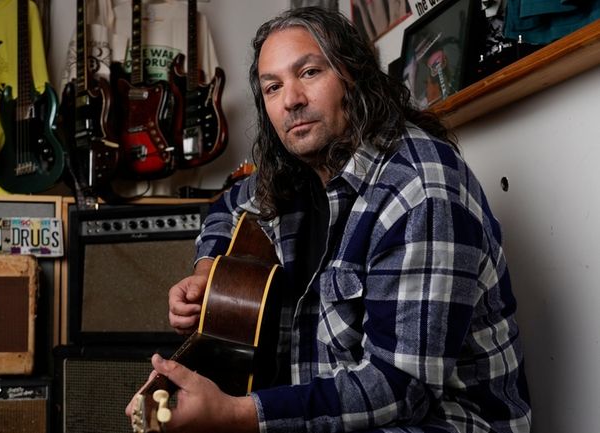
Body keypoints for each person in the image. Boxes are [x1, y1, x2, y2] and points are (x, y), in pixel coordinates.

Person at [127, 6, 531, 433]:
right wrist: (208, 272)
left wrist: (237, 414)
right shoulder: (295, 173)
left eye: (309, 73)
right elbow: (226, 209)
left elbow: (400, 388)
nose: (291, 100)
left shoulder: (419, 189)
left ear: (351, 75)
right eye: (272, 87)